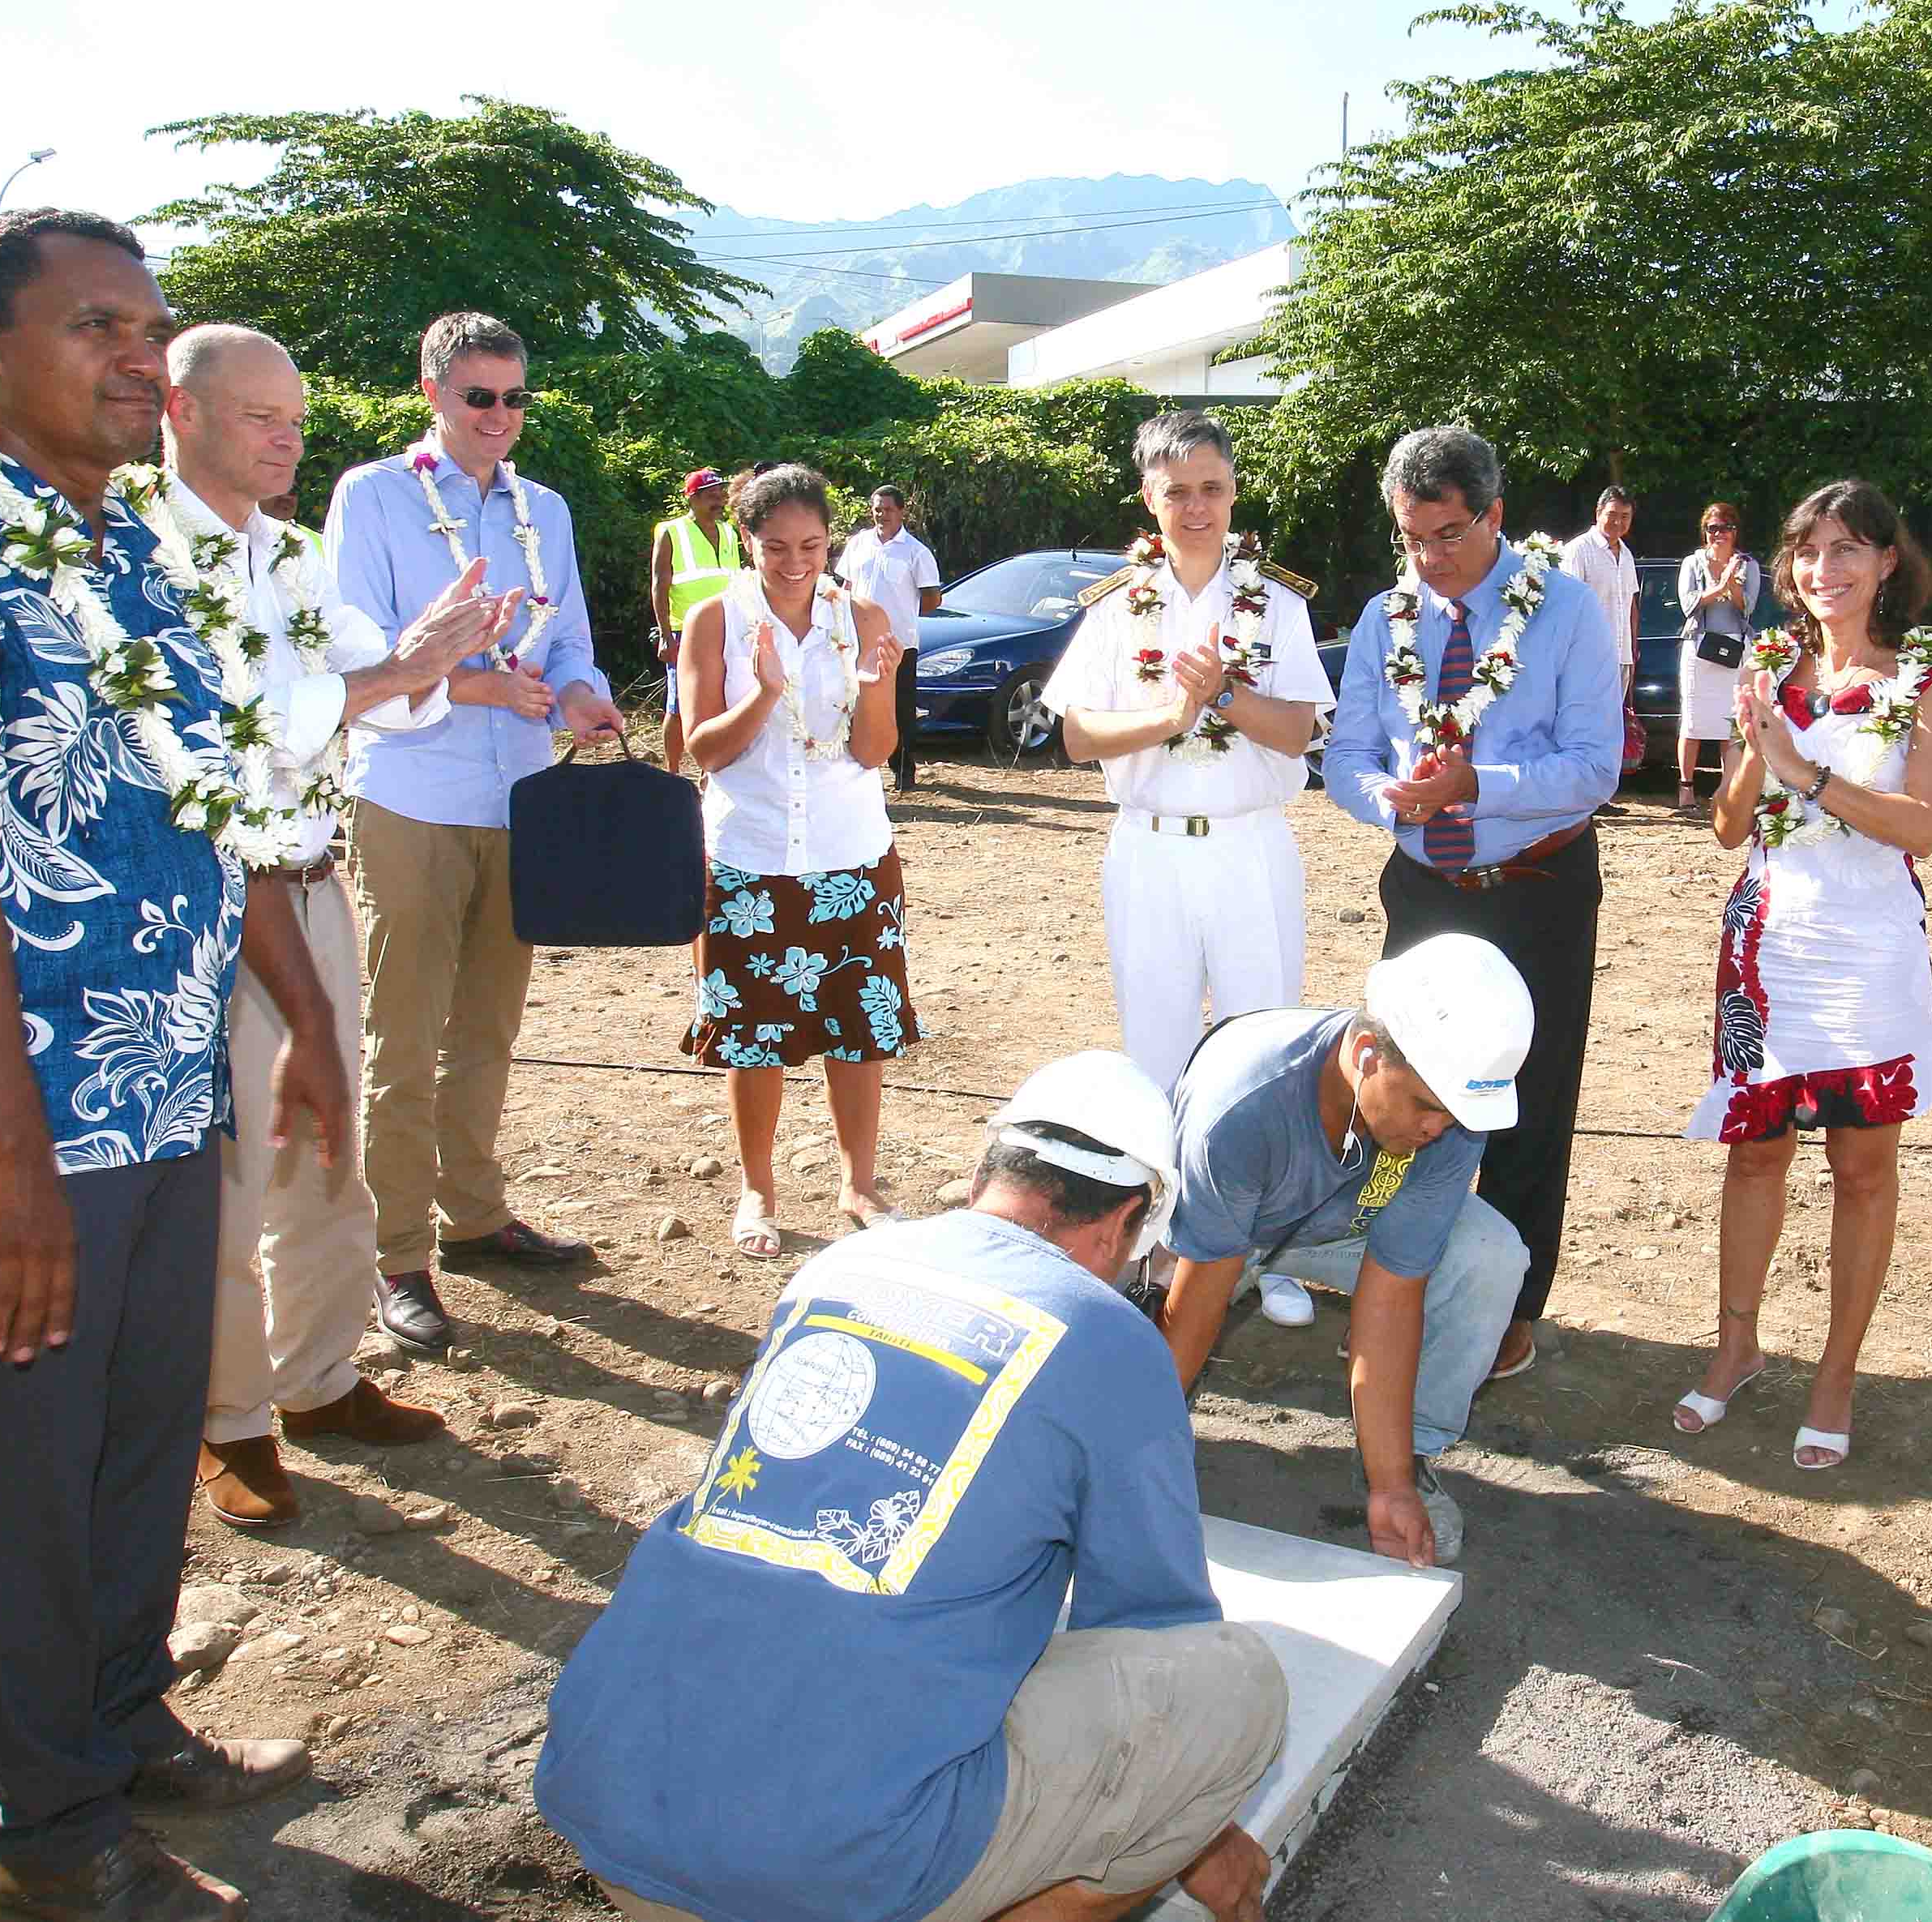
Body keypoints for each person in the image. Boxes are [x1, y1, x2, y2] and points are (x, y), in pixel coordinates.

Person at [0, 208, 352, 1922]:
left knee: (133, 1437)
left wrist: (307, 1022)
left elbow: (213, 806)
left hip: (167, 1088)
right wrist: (6, 1158)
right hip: (7, 1127)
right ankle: (44, 1833)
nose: (134, 353)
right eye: (95, 322)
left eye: (148, 324)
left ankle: (119, 1720)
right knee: (26, 1474)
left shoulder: (125, 555)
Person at [534, 1051, 1287, 1922]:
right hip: (826, 1876)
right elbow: (1153, 1627)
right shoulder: (1108, 1336)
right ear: (1123, 1222)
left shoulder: (831, 1272)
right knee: (1233, 1684)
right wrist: (1194, 1825)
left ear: (983, 1175)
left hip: (614, 1808)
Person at [161, 323, 516, 1529]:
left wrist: (435, 656)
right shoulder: (143, 558)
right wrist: (392, 677)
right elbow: (232, 732)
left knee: (324, 1136)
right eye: (260, 416)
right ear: (183, 410)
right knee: (224, 1163)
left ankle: (317, 1379)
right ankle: (231, 1418)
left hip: (312, 880)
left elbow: (386, 703)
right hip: (209, 900)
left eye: (297, 419)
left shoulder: (297, 556)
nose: (285, 439)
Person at [324, 312, 624, 1356]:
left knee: (488, 1027)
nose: (500, 417)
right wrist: (475, 685)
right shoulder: (373, 496)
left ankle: (475, 1215)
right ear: (433, 394)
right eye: (478, 397)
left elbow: (574, 635)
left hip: (522, 796)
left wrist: (579, 694)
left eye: (515, 398)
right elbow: (352, 649)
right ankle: (397, 1250)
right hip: (412, 792)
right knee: (401, 1035)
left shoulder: (545, 507)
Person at [1323, 425, 1622, 1386]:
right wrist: (1387, 795)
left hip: (1535, 886)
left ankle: (1510, 1307)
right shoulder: (1385, 616)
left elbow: (1594, 768)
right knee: (1409, 1091)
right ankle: (1392, 1291)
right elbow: (1345, 757)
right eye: (1411, 537)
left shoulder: (1565, 611)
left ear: (1492, 515)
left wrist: (1472, 787)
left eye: (1447, 534)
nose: (1428, 558)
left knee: (1526, 1100)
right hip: (1423, 885)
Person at [1682, 480, 1932, 1470]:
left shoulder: (1931, 673)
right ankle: (1735, 1345)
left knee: (1861, 1166)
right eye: (1808, 551)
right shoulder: (1766, 660)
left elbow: (1923, 826)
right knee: (1754, 1154)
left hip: (1868, 946)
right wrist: (1758, 751)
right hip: (1768, 944)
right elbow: (1726, 827)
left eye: (1848, 549)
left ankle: (1837, 1372)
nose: (1824, 570)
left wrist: (1803, 769)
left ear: (1889, 561)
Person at [1154, 934, 1534, 1565]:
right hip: (1213, 1234)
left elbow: (1392, 1294)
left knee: (1488, 1256)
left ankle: (1404, 1451)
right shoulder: (1246, 1105)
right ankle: (1143, 1429)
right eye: (1426, 1106)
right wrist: (1143, 1451)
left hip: (1341, 1227)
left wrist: (1391, 1487)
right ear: (1365, 1054)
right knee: (1134, 1355)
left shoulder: (1453, 1112)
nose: (1437, 1129)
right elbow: (1198, 1300)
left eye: (1453, 1115)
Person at [1048, 410, 1333, 1100]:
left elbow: (1300, 732)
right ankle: (1159, 1202)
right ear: (1150, 498)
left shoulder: (1276, 603)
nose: (1196, 507)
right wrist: (1173, 716)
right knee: (1155, 1045)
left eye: (1212, 487)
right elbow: (1078, 735)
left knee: (1264, 1047)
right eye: (1177, 492)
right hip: (1149, 850)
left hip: (1250, 846)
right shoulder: (1118, 605)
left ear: (1234, 491)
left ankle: (1253, 1201)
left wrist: (1224, 697)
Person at [679, 464, 915, 1256]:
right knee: (755, 1035)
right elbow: (702, 748)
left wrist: (875, 686)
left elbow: (875, 749)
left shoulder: (865, 615)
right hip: (749, 859)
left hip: (851, 855)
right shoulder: (715, 620)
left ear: (829, 541)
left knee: (859, 1028)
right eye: (774, 545)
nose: (793, 561)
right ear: (745, 540)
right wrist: (762, 693)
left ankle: (859, 1183)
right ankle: (758, 1188)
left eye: (811, 544)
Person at [837, 484, 940, 793]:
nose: (882, 515)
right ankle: (855, 769)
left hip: (898, 643)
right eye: (877, 509)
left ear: (901, 511)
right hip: (856, 639)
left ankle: (904, 773)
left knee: (900, 709)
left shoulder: (916, 551)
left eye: (888, 510)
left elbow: (932, 598)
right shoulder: (858, 544)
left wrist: (901, 615)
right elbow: (846, 587)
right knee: (852, 702)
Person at [649, 468, 739, 773]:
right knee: (677, 705)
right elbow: (660, 585)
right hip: (683, 630)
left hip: (727, 628)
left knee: (721, 698)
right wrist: (664, 635)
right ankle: (672, 773)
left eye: (720, 494)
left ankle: (709, 772)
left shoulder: (729, 532)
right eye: (711, 495)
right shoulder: (671, 531)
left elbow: (735, 584)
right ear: (693, 498)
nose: (719, 501)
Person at [1673, 503, 1759, 811]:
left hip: (1735, 647)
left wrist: (1732, 583)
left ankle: (1728, 789)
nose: (1718, 534)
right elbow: (1688, 605)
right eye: (1712, 528)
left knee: (1730, 721)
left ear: (1735, 532)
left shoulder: (1747, 564)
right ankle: (1686, 788)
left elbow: (1747, 607)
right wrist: (1719, 585)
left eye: (1724, 528)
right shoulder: (1692, 563)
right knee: (1694, 721)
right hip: (1698, 647)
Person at [1562, 486, 1644, 780]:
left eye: (1625, 516)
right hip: (1588, 656)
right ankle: (1580, 790)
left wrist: (1633, 653)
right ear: (1598, 514)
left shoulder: (1626, 555)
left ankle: (1601, 788)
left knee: (1609, 726)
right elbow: (1567, 605)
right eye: (1612, 515)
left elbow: (1631, 606)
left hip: (1620, 656)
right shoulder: (1578, 550)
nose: (1618, 522)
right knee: (1584, 724)